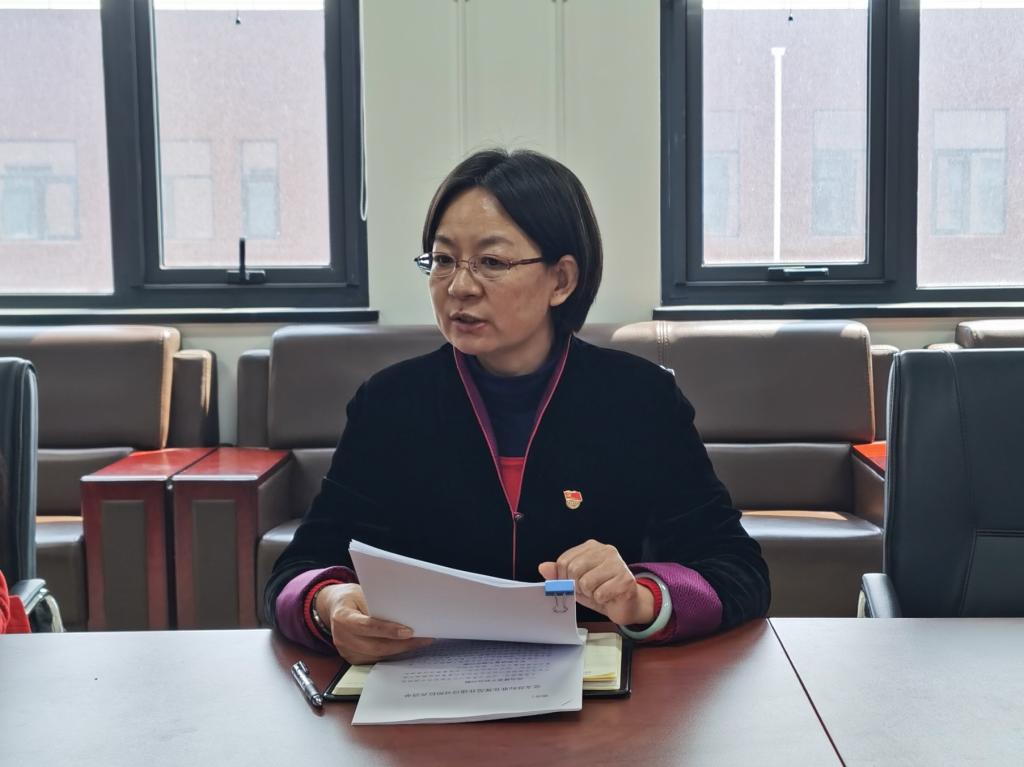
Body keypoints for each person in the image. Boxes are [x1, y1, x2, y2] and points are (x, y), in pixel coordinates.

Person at [266, 149, 769, 663]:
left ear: (561, 280)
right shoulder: (389, 405)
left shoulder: (642, 400)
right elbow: (297, 572)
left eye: (492, 262)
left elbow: (737, 571)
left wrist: (641, 599)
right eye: (443, 260)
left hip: (595, 690)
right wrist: (330, 606)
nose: (459, 286)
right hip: (428, 683)